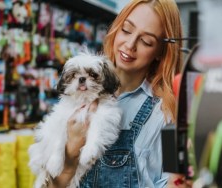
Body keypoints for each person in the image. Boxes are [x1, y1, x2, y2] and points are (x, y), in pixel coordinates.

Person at [48, 0, 185, 187]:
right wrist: (70, 156)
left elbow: (172, 183)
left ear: (161, 51)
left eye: (146, 41)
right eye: (126, 30)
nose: (130, 45)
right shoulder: (76, 94)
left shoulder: (164, 114)